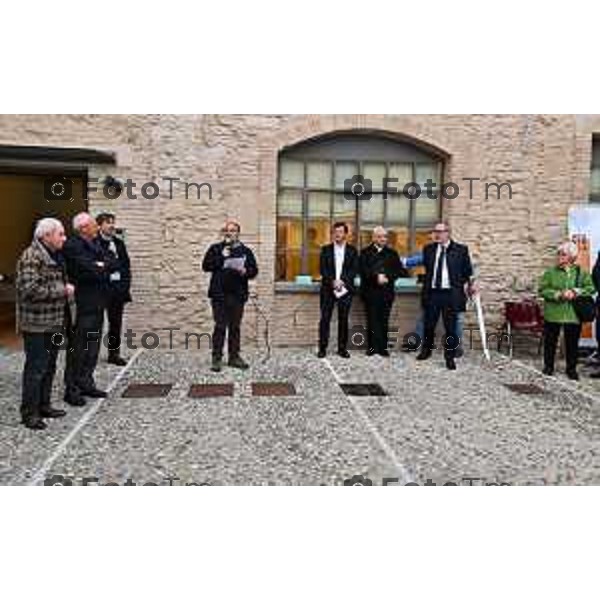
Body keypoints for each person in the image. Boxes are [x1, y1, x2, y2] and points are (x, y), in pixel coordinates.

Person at [15, 218, 75, 430]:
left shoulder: (53, 255)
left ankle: (44, 405)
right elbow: (29, 290)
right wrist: (62, 291)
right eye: (60, 234)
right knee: (36, 368)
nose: (64, 238)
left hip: (54, 322)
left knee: (49, 365)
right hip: (37, 325)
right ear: (46, 235)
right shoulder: (31, 256)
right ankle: (29, 412)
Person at [62, 212, 113, 403]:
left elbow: (113, 262)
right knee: (78, 348)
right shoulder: (73, 246)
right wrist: (100, 266)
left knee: (92, 346)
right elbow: (88, 269)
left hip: (98, 304)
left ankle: (86, 382)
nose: (97, 228)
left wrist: (101, 265)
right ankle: (72, 388)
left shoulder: (97, 244)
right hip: (83, 306)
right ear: (83, 228)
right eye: (93, 225)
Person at [417, 223, 475, 370]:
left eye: (440, 231)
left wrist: (471, 284)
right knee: (429, 325)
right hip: (433, 293)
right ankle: (426, 351)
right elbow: (427, 270)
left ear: (448, 233)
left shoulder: (460, 250)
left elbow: (468, 271)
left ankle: (449, 357)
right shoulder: (428, 249)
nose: (437, 234)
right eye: (435, 231)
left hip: (450, 294)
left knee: (450, 328)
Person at [202, 220, 258, 372]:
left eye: (233, 230)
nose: (229, 233)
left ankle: (234, 357)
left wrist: (245, 271)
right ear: (223, 233)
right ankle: (217, 358)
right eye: (227, 230)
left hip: (238, 295)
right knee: (220, 326)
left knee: (235, 327)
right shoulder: (215, 248)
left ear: (238, 233)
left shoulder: (246, 251)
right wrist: (222, 257)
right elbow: (206, 266)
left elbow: (254, 271)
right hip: (219, 294)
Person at [539, 241, 594, 380]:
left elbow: (591, 288)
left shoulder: (581, 273)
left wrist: (576, 292)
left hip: (573, 315)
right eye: (558, 253)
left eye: (562, 254)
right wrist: (557, 294)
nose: (559, 256)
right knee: (550, 342)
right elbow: (542, 290)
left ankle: (571, 369)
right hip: (553, 313)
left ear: (571, 256)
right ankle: (548, 367)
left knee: (572, 344)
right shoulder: (550, 273)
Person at [359, 226, 407, 356]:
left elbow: (399, 271)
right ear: (374, 237)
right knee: (371, 320)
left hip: (386, 292)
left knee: (384, 320)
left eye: (385, 236)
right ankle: (372, 347)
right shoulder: (365, 252)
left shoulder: (392, 253)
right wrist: (376, 277)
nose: (383, 239)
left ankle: (382, 347)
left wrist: (387, 277)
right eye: (380, 236)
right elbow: (363, 270)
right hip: (370, 292)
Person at [317, 222, 359, 358]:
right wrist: (333, 281)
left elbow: (354, 269)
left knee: (343, 319)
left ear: (346, 234)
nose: (337, 234)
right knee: (325, 319)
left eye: (340, 232)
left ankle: (342, 349)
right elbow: (323, 269)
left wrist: (342, 281)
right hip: (328, 290)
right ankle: (322, 348)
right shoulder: (325, 250)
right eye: (335, 232)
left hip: (345, 290)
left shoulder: (352, 251)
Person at [96, 212, 132, 366]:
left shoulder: (118, 243)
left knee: (115, 323)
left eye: (113, 222)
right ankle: (91, 353)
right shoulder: (94, 243)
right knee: (96, 323)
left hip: (117, 290)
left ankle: (114, 353)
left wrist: (124, 287)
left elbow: (126, 266)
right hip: (101, 289)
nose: (112, 226)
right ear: (99, 225)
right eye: (108, 222)